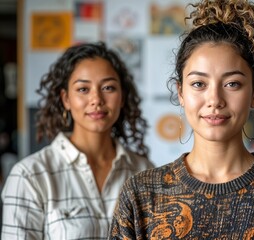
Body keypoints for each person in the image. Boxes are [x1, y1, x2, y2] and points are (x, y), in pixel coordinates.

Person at [109, 0, 254, 239]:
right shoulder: (141, 194)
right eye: (199, 84)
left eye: (232, 84)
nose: (214, 99)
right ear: (181, 93)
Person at [1, 42, 154, 239]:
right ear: (66, 99)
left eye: (108, 87)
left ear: (122, 97)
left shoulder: (144, 173)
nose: (96, 99)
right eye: (83, 89)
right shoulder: (29, 176)